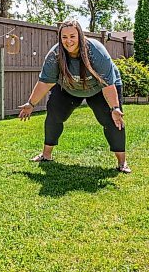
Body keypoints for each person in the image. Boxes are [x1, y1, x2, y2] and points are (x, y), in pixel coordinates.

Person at [18, 20, 131, 173]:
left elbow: (107, 84)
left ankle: (122, 163)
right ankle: (46, 155)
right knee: (54, 113)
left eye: (72, 36)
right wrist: (30, 104)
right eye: (64, 37)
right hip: (69, 88)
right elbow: (45, 82)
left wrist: (115, 108)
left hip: (100, 88)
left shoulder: (96, 51)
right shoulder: (55, 55)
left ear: (80, 35)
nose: (68, 41)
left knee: (113, 120)